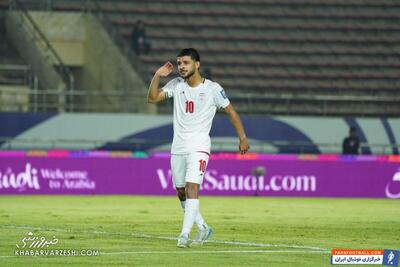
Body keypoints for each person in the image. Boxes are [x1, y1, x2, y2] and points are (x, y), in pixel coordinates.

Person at [147, 48, 250, 248]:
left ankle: (184, 235)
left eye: (185, 63)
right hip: (178, 146)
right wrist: (157, 76)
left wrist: (242, 137)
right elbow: (152, 98)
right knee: (180, 191)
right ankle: (203, 227)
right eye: (179, 63)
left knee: (192, 187)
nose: (181, 67)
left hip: (199, 145)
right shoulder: (176, 85)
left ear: (197, 64)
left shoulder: (212, 89)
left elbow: (231, 112)